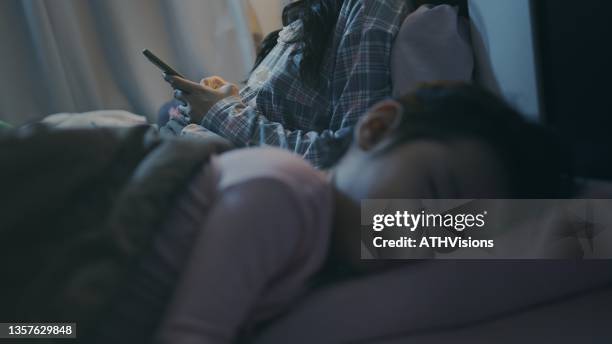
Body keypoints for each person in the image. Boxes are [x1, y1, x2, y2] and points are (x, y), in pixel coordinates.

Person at [2, 84, 569, 343]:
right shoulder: (287, 193)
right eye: (431, 194)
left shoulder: (319, 251)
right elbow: (193, 333)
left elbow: (582, 236)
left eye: (450, 231)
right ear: (374, 128)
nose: (417, 230)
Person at [160, 0, 411, 168]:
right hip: (192, 138)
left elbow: (347, 150)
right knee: (164, 111)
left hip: (210, 155)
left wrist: (221, 113)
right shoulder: (320, 9)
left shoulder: (371, 7)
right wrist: (230, 97)